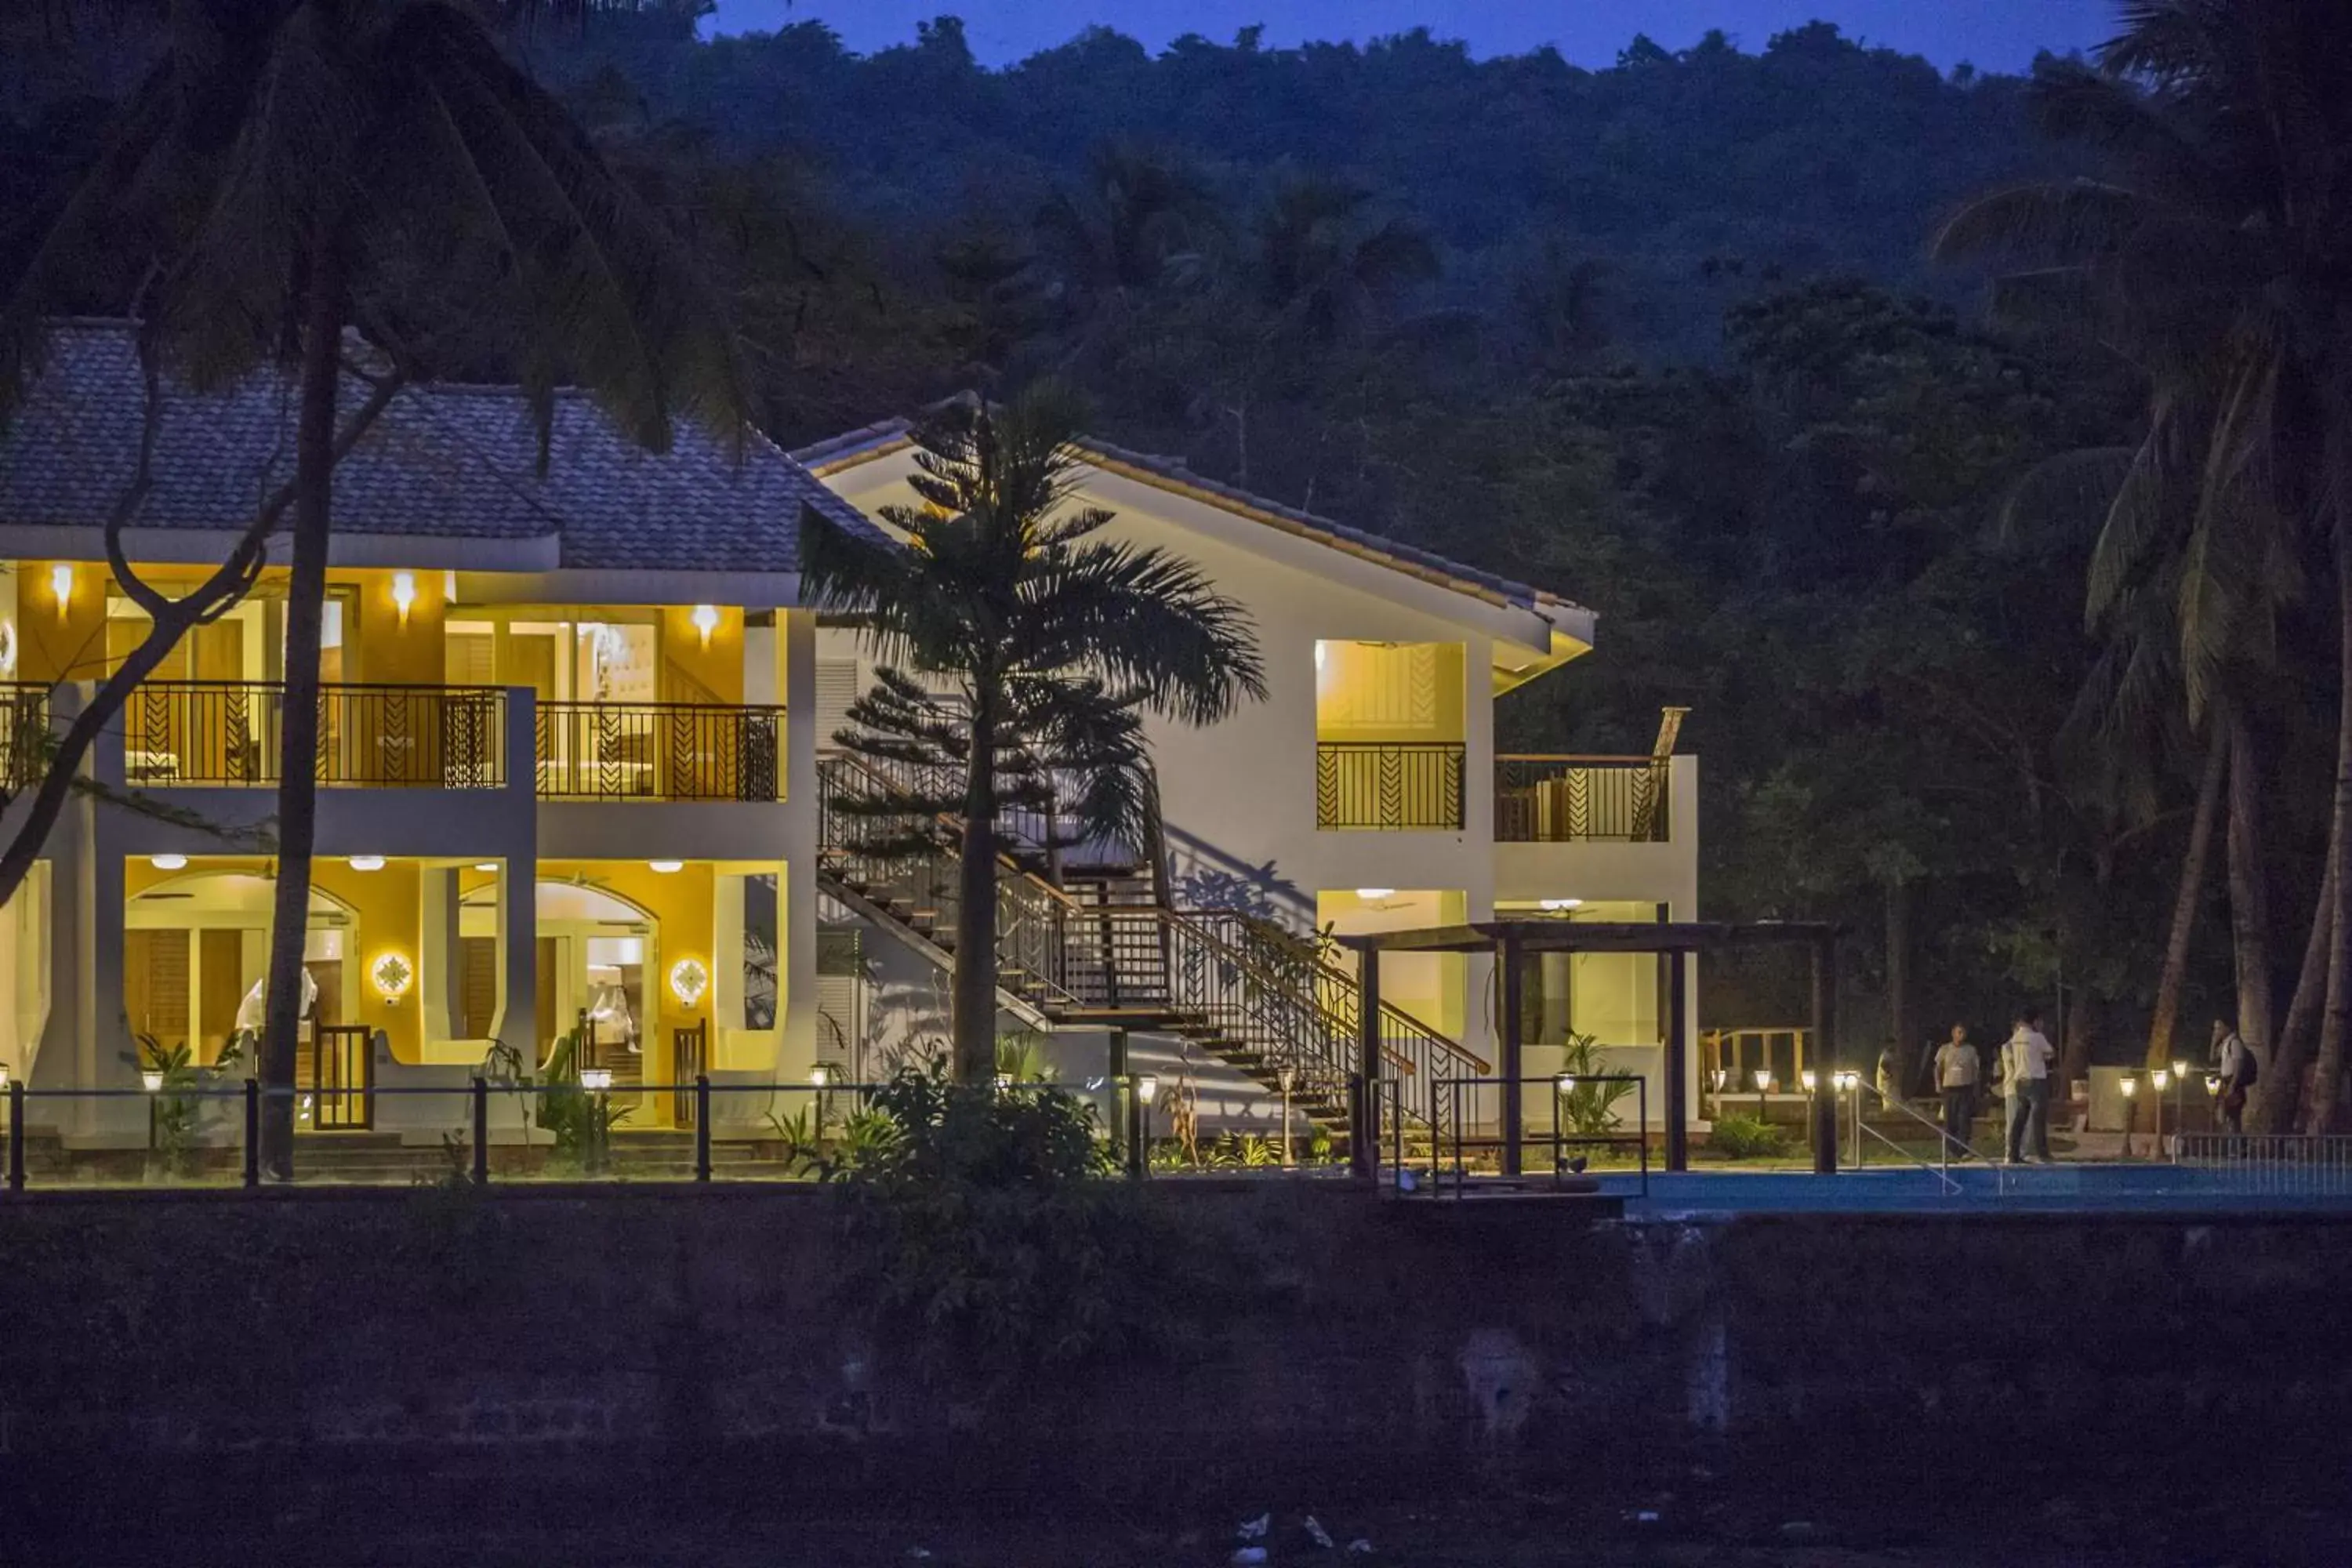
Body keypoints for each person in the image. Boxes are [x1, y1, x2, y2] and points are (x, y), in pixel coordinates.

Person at [2001, 1011, 2056, 1163]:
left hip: (2020, 1082)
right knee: (2038, 1119)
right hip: (2036, 1081)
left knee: (2019, 1120)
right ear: (2034, 1022)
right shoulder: (2037, 1037)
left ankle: (2013, 1154)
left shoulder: (2015, 1039)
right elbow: (2050, 1053)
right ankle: (2043, 1153)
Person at [1933, 1023, 1980, 1157]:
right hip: (1949, 1088)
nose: (1961, 1035)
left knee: (1964, 1119)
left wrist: (1976, 1087)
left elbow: (1976, 1071)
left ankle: (1964, 1149)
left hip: (1965, 1088)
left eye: (1963, 1033)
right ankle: (1951, 1149)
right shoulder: (1945, 1049)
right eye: (1959, 1032)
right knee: (1950, 1120)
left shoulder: (1971, 1050)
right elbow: (1937, 1068)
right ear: (1953, 1034)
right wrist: (1938, 1084)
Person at [2212, 1017, 2255, 1135]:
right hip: (2226, 1081)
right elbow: (2213, 1058)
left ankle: (2238, 1148)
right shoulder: (2225, 1043)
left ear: (2227, 1027)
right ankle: (2231, 1145)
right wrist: (2214, 1041)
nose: (2217, 1031)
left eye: (2219, 1028)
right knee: (2225, 1115)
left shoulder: (2234, 1043)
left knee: (2234, 1117)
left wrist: (2232, 1085)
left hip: (2233, 1083)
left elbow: (2238, 1065)